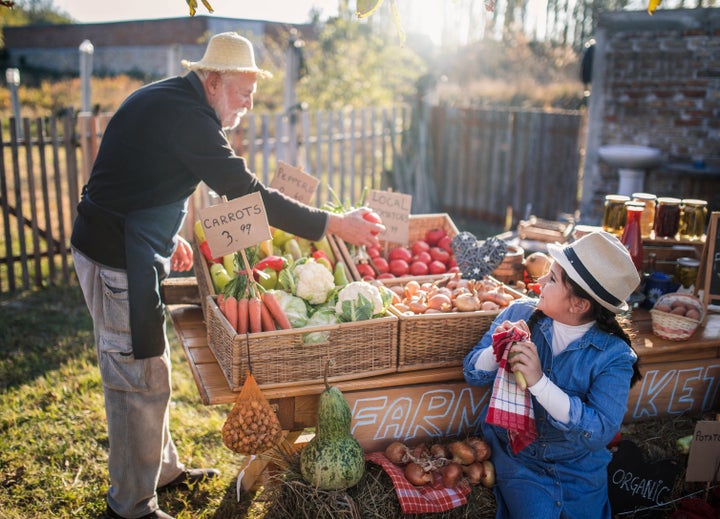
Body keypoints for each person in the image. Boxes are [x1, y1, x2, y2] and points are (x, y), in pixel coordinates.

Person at [70, 32, 384, 519]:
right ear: (213, 81)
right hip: (115, 256)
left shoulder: (175, 102)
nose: (248, 105)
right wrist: (333, 223)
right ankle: (130, 507)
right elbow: (247, 193)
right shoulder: (187, 117)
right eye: (243, 92)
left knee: (151, 368)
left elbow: (131, 176)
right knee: (136, 377)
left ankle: (161, 470)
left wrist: (164, 235)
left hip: (133, 243)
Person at [463, 231, 642, 518]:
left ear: (579, 305)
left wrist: (539, 383)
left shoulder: (615, 355)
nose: (541, 281)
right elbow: (473, 373)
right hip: (520, 457)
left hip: (579, 467)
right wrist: (497, 349)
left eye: (553, 278)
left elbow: (599, 431)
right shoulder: (520, 311)